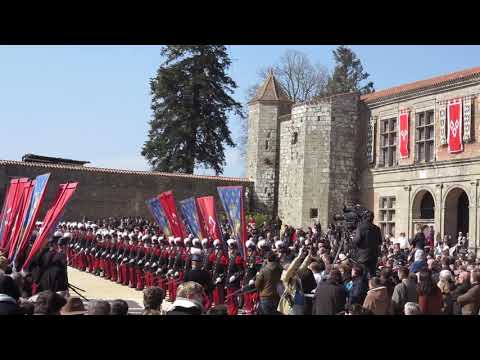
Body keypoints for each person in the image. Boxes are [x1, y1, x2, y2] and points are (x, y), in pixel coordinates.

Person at [277, 247, 310, 315]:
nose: (295, 270)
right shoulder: (285, 277)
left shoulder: (295, 275)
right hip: (291, 302)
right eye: (293, 269)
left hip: (299, 300)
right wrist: (299, 256)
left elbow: (303, 266)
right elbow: (291, 268)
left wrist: (309, 255)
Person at [352, 211, 382, 278]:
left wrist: (352, 239)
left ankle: (363, 287)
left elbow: (356, 241)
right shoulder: (377, 228)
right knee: (372, 274)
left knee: (362, 275)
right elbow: (380, 242)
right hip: (373, 256)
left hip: (363, 257)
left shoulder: (361, 228)